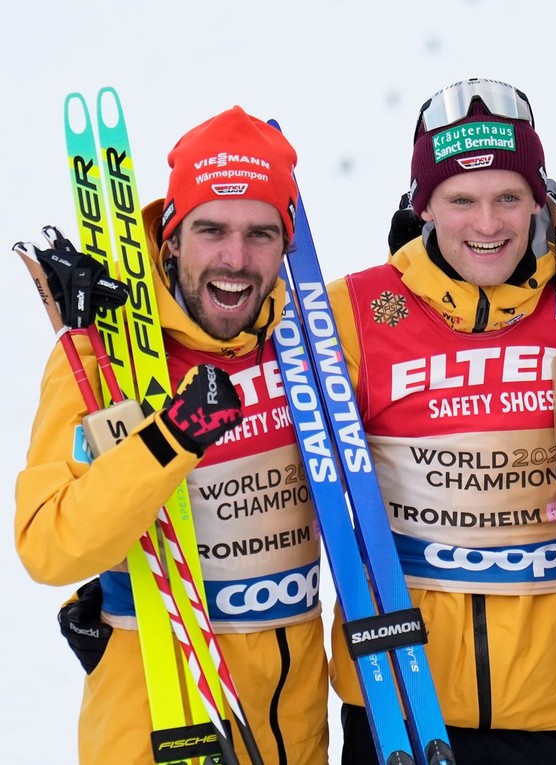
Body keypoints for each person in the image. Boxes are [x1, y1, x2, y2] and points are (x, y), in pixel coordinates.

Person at [327, 78, 556, 765]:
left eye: (509, 196)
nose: (487, 223)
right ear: (424, 205)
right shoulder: (353, 313)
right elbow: (256, 441)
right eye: (460, 200)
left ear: (541, 198)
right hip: (397, 699)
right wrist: (111, 580)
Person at [15, 107, 329, 763]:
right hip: (156, 731)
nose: (236, 259)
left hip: (293, 736)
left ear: (286, 241)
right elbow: (48, 546)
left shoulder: (312, 346)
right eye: (211, 229)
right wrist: (170, 438)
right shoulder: (102, 361)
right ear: (173, 238)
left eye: (260, 233)